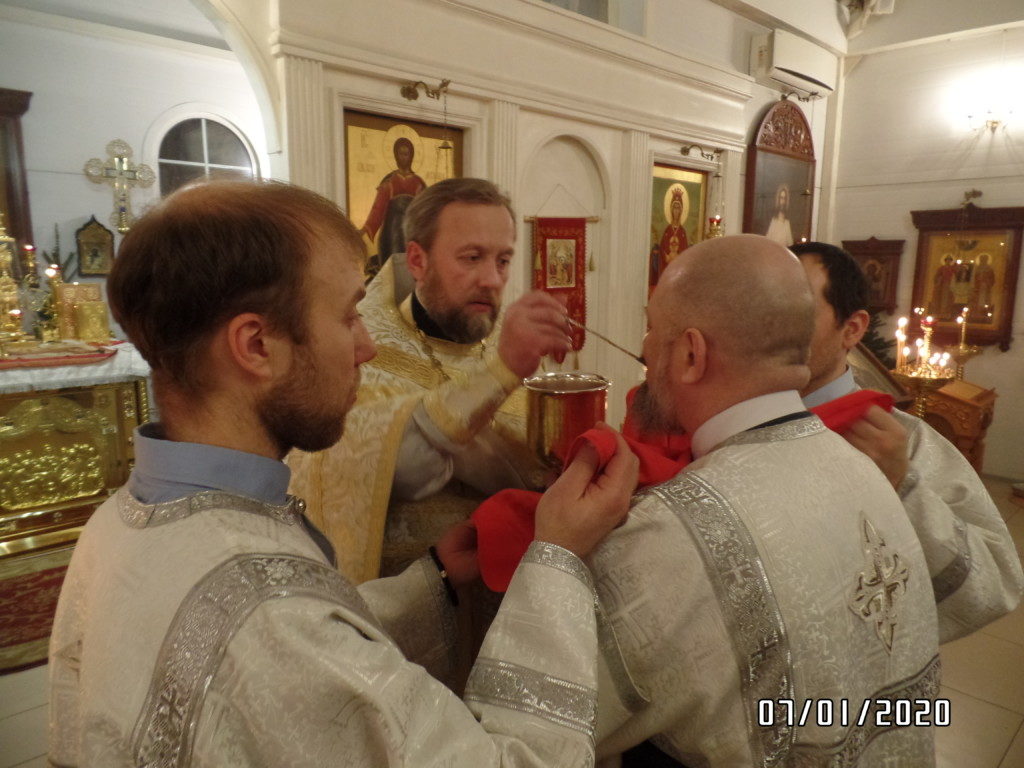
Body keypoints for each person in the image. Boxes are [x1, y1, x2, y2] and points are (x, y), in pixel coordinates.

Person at [48, 180, 639, 767]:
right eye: (347, 315)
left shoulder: (114, 524)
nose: (366, 346)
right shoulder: (273, 615)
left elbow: (293, 649)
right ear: (256, 345)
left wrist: (431, 581)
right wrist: (558, 559)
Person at [591, 235, 940, 766]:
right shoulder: (872, 468)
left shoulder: (674, 530)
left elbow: (551, 724)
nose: (644, 347)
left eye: (652, 329)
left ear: (691, 353)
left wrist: (554, 551)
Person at [289, 178, 572, 583]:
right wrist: (502, 372)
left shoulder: (509, 343)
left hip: (515, 593)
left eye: (503, 261)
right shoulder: (361, 349)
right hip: (413, 602)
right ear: (418, 261)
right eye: (472, 258)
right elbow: (399, 467)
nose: (492, 280)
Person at [791, 241, 1023, 642]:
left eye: (798, 312)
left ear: (852, 329)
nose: (770, 329)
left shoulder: (906, 444)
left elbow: (997, 586)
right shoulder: (723, 422)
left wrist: (904, 485)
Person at [360, 136, 427, 274]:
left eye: (406, 154)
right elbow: (378, 209)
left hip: (410, 230)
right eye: (400, 154)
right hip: (391, 230)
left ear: (411, 156)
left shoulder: (418, 183)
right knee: (393, 266)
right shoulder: (390, 181)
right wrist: (364, 230)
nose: (403, 157)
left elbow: (425, 210)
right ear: (396, 156)